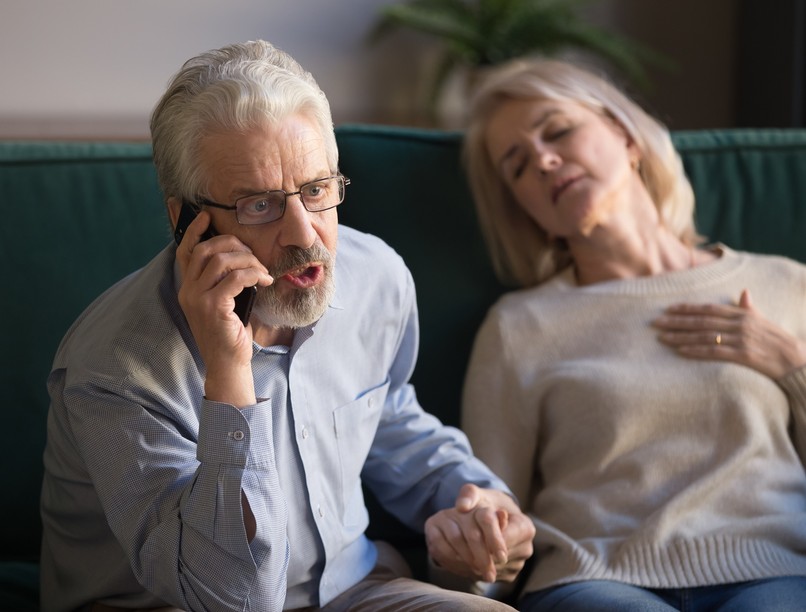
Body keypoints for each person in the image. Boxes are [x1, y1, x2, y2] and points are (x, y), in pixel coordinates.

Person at [39, 40, 535, 612]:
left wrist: (481, 505)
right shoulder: (116, 367)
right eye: (259, 204)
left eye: (317, 191)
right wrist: (228, 372)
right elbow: (231, 595)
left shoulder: (375, 278)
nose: (305, 235)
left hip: (350, 592)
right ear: (186, 223)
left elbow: (389, 416)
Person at [460, 57, 806, 611]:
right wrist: (473, 551)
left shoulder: (786, 285)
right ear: (523, 208)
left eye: (559, 130)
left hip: (775, 571)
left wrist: (793, 367)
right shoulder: (518, 326)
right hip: (594, 582)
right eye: (519, 166)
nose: (545, 160)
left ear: (625, 135)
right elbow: (489, 514)